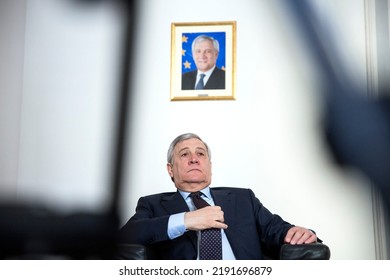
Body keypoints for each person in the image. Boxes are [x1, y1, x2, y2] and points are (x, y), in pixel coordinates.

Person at [119, 133, 319, 260]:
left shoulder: (243, 199)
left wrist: (296, 232)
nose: (194, 159)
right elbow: (126, 235)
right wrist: (186, 220)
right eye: (184, 154)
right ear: (171, 170)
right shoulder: (153, 205)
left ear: (210, 167)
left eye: (201, 154)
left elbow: (275, 229)